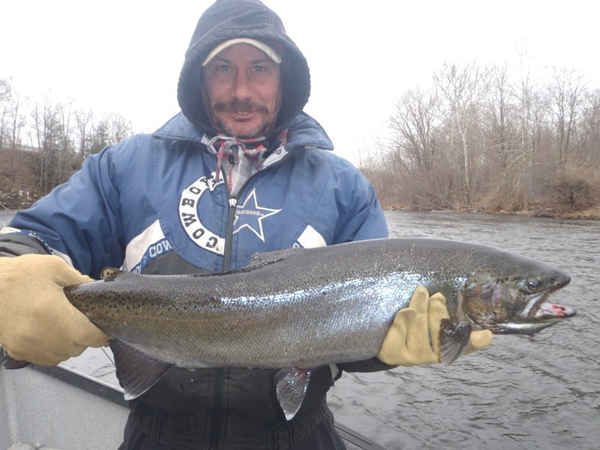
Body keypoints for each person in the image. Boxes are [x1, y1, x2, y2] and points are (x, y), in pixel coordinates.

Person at [0, 0, 492, 448]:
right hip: (157, 435)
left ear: (284, 79)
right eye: (222, 69)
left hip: (299, 435)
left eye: (258, 68)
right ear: (199, 78)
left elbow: (361, 336)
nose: (241, 90)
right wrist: (13, 274)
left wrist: (390, 348)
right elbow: (33, 239)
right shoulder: (126, 167)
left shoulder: (343, 188)